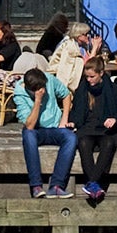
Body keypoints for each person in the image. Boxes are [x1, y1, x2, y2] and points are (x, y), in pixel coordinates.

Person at [68, 54, 117, 204]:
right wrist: (72, 122)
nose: (89, 80)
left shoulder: (112, 89)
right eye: (86, 77)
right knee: (83, 144)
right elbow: (76, 113)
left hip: (106, 129)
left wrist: (114, 119)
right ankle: (95, 185)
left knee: (108, 143)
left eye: (92, 77)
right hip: (88, 128)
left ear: (101, 73)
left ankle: (92, 182)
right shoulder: (83, 89)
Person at [14, 66, 76, 199]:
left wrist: (64, 120)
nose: (43, 90)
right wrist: (38, 100)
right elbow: (29, 125)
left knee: (71, 137)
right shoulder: (20, 93)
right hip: (36, 130)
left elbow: (66, 95)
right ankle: (36, 186)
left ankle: (57, 186)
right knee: (28, 135)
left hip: (55, 127)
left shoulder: (49, 79)